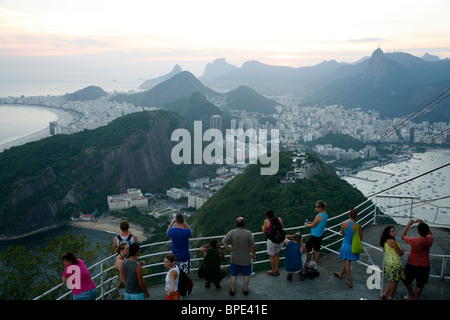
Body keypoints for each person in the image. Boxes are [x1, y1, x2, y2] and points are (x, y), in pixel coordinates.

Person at [222, 217, 256, 296]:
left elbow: (223, 242)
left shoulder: (232, 232)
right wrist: (254, 254)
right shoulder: (248, 233)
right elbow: (252, 247)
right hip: (246, 258)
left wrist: (229, 249)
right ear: (244, 224)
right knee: (246, 275)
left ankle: (233, 290)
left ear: (235, 224)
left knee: (233, 275)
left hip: (234, 258)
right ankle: (245, 289)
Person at [401, 219, 434, 300]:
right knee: (420, 284)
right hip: (425, 266)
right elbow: (430, 233)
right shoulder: (430, 239)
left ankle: (411, 295)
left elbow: (403, 236)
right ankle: (415, 298)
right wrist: (422, 224)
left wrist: (408, 224)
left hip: (413, 265)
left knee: (405, 279)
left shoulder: (415, 241)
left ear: (418, 231)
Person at [333, 208, 362, 288]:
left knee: (347, 263)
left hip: (345, 245)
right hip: (353, 246)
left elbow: (343, 235)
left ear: (349, 215)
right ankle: (341, 274)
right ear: (356, 216)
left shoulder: (344, 223)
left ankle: (349, 282)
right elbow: (360, 238)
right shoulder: (358, 226)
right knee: (348, 262)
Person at [379, 225, 405, 300]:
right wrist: (402, 251)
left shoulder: (385, 241)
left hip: (388, 263)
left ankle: (385, 294)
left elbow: (384, 250)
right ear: (388, 233)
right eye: (392, 231)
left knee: (391, 280)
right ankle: (391, 297)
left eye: (394, 230)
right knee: (394, 282)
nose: (394, 232)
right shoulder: (392, 241)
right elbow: (400, 253)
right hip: (395, 263)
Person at [304, 200, 328, 270]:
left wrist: (306, 224)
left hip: (315, 235)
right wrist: (310, 222)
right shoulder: (325, 214)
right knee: (317, 249)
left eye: (317, 207)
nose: (316, 208)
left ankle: (308, 263)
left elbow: (313, 225)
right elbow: (318, 223)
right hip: (320, 234)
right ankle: (315, 263)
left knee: (307, 249)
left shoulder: (319, 215)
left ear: (321, 207)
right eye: (315, 206)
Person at [262, 209, 284, 276]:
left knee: (272, 256)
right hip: (280, 240)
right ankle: (277, 270)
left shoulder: (266, 221)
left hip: (271, 241)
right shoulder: (279, 219)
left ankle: (273, 271)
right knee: (277, 255)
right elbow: (281, 227)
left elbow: (264, 231)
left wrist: (263, 227)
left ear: (267, 216)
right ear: (274, 214)